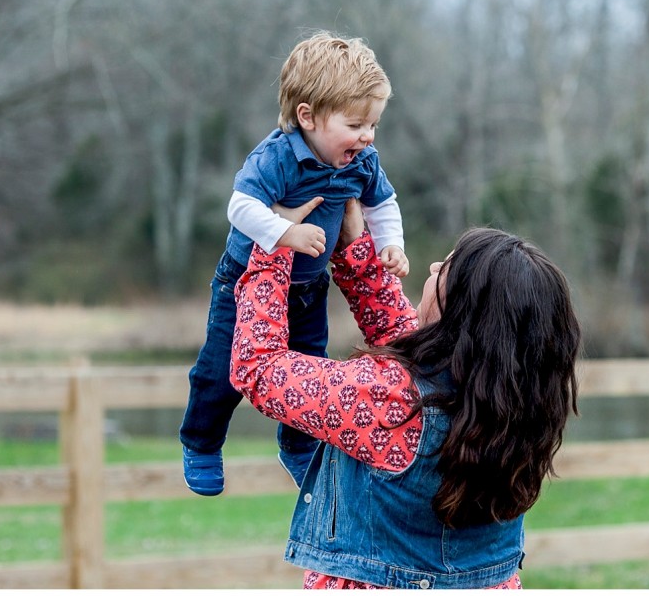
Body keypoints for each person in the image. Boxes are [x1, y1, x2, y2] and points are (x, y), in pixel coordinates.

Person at [230, 197, 581, 589]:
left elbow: (260, 369)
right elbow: (407, 343)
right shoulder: (518, 398)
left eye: (445, 269)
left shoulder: (390, 398)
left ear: (461, 310)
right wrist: (355, 249)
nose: (432, 267)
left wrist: (274, 243)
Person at [179, 32, 410, 496]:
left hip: (307, 287)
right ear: (308, 117)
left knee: (310, 367)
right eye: (355, 125)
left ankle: (298, 444)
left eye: (373, 126)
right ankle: (201, 443)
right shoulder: (277, 158)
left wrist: (391, 245)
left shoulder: (363, 162)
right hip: (244, 282)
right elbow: (240, 208)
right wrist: (283, 234)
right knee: (220, 371)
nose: (366, 137)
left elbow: (383, 204)